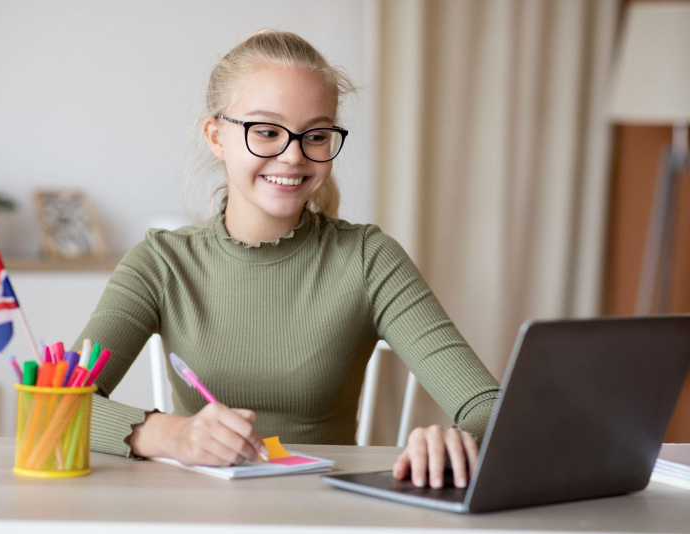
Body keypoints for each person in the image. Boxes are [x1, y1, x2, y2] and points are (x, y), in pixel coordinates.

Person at [73, 29, 500, 490]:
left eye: (315, 135)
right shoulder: (159, 263)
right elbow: (52, 403)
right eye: (267, 131)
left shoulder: (368, 259)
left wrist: (454, 442)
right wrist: (169, 434)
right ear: (216, 137)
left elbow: (490, 407)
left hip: (326, 516)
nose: (293, 156)